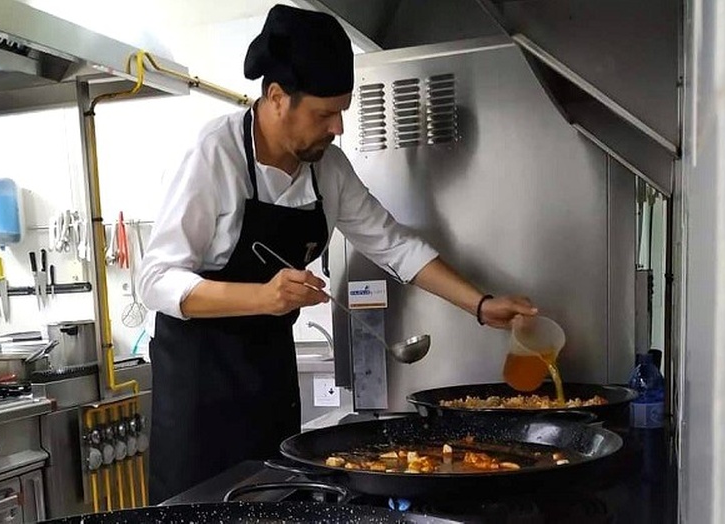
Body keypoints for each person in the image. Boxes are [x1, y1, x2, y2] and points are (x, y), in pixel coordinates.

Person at [137, 4, 538, 503]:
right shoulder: (214, 155)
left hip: (268, 377)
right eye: (324, 114)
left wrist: (480, 305)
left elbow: (394, 243)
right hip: (199, 392)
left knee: (274, 504)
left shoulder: (327, 168)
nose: (338, 128)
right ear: (277, 98)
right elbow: (155, 280)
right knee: (199, 510)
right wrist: (262, 297)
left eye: (342, 111)